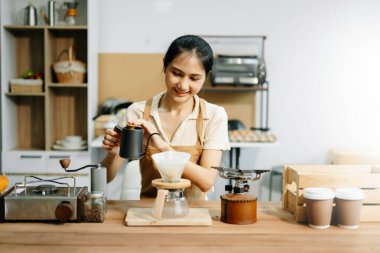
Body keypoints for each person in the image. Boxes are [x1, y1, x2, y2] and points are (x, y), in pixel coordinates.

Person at [101, 35, 230, 200]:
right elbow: (106, 178)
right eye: (176, 73)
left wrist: (162, 147)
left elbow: (207, 181)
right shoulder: (138, 112)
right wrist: (112, 154)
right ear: (164, 66)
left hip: (194, 214)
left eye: (194, 78)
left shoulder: (213, 116)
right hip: (148, 214)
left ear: (206, 76)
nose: (183, 85)